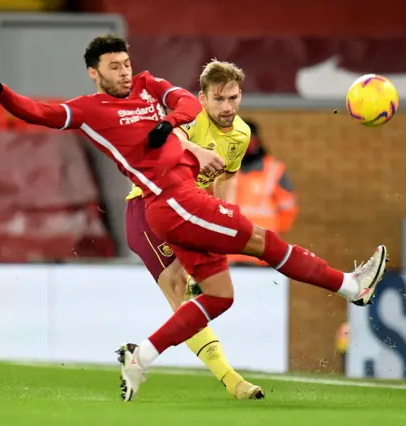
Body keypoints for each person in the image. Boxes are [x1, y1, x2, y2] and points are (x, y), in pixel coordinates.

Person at [0, 34, 388, 402]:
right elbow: (36, 113)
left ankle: (141, 355)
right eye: (114, 67)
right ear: (93, 75)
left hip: (184, 201)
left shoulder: (150, 87)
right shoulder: (89, 111)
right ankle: (351, 287)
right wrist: (1, 92)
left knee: (220, 296)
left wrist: (167, 124)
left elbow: (185, 102)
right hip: (170, 200)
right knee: (264, 242)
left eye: (126, 64)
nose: (124, 72)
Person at [124, 59, 263, 400]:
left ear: (240, 95)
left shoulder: (242, 135)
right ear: (202, 98)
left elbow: (227, 176)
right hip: (147, 207)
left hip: (186, 212)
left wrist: (226, 218)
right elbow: (167, 139)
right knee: (178, 289)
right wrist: (197, 150)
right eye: (219, 99)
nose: (227, 107)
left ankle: (137, 355)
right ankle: (232, 381)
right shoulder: (190, 118)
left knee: (209, 294)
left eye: (232, 98)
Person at [227, 119, 297, 265]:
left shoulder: (274, 170)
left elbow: (288, 210)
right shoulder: (222, 169)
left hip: (263, 256)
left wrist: (273, 236)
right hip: (229, 256)